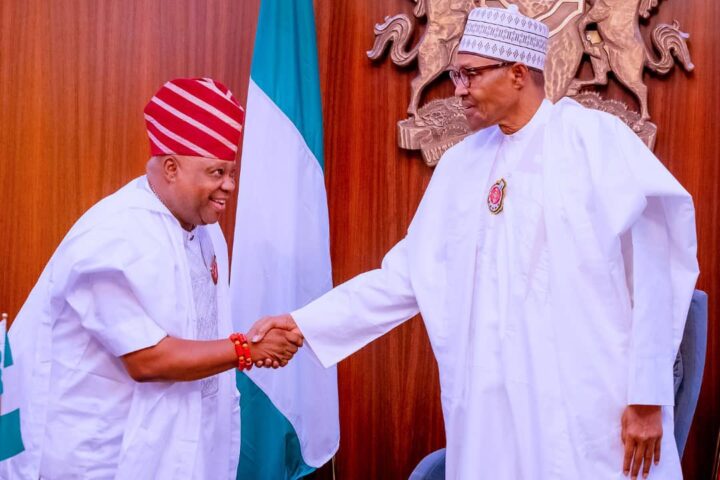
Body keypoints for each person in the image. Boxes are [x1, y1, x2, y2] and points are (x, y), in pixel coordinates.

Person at [249, 6, 699, 480]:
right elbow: (405, 276)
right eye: (455, 75)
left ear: (518, 73)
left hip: (588, 397)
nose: (458, 89)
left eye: (469, 75)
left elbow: (657, 268)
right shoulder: (460, 165)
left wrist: (648, 397)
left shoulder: (594, 140)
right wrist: (305, 324)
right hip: (491, 405)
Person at [0, 78, 302, 479]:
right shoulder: (114, 236)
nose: (228, 186)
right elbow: (147, 358)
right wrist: (248, 348)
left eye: (230, 172)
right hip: (94, 453)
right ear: (171, 168)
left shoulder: (205, 228)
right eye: (216, 172)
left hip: (170, 443)